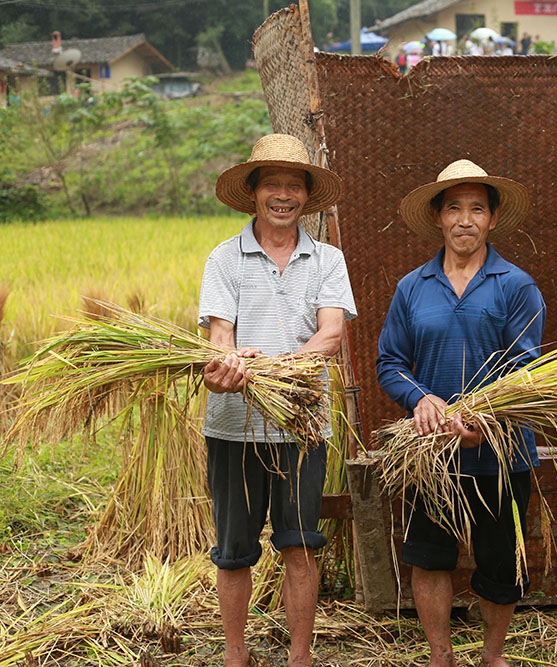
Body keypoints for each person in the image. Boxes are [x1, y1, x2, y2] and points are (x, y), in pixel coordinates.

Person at [376, 159, 546, 667]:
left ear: (493, 219)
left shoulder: (516, 285)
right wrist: (421, 399)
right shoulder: (413, 287)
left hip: (502, 452)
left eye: (477, 208)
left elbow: (526, 369)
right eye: (454, 208)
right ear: (438, 218)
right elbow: (390, 362)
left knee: (499, 561)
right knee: (429, 557)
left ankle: (493, 656)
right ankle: (440, 657)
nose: (465, 219)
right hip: (432, 451)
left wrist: (484, 421)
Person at [200, 133, 358, 667]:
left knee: (300, 543)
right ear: (255, 192)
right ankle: (235, 655)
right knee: (234, 549)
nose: (283, 195)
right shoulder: (224, 258)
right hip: (233, 425)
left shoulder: (328, 260)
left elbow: (331, 334)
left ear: (307, 196)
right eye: (273, 184)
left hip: (302, 426)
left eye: (295, 185)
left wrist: (272, 372)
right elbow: (219, 336)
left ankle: (300, 657)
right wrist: (226, 366)